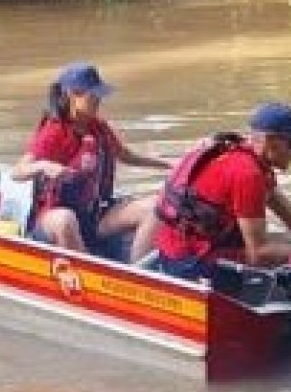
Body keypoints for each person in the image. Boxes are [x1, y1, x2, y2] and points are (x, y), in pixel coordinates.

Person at [139, 102, 291, 282]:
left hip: (187, 247)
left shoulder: (247, 155)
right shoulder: (247, 174)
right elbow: (258, 254)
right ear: (270, 140)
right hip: (189, 263)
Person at [11, 63, 173, 260]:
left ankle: (137, 271)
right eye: (92, 95)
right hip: (52, 219)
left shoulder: (98, 127)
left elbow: (126, 155)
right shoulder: (54, 131)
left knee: (155, 206)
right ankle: (88, 271)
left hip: (95, 215)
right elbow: (18, 172)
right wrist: (44, 165)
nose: (99, 100)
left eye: (99, 95)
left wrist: (169, 165)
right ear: (72, 95)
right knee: (65, 220)